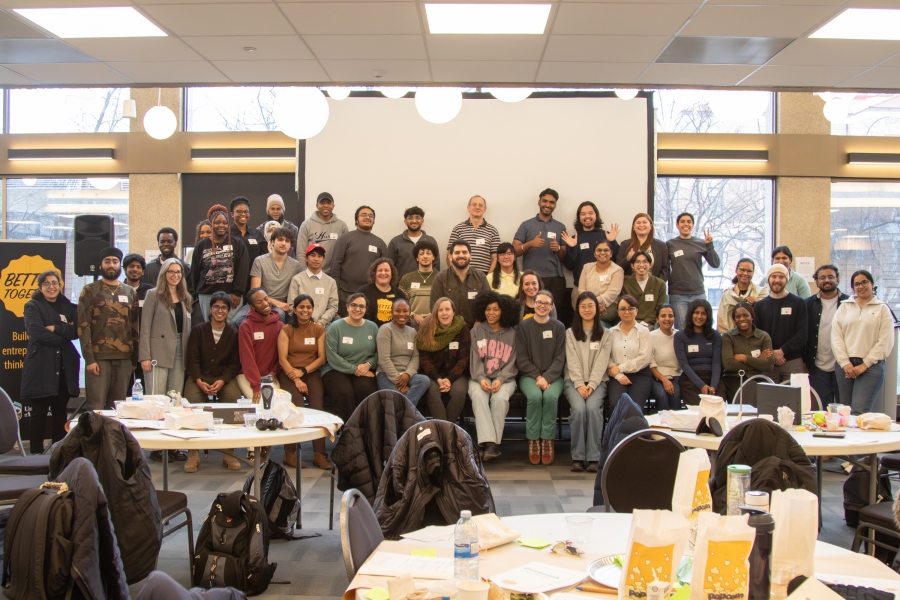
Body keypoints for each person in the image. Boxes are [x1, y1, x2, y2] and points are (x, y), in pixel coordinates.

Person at [21, 270, 79, 454]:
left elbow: (76, 332)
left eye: (54, 283)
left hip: (64, 367)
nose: (51, 287)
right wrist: (64, 333)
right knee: (39, 411)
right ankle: (35, 454)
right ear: (40, 287)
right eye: (46, 283)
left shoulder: (69, 307)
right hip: (41, 366)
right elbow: (37, 333)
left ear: (59, 285)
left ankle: (58, 453)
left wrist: (55, 327)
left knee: (60, 411)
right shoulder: (33, 306)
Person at [77, 247, 139, 410]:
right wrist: (89, 359)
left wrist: (133, 360)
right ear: (101, 265)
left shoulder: (130, 292)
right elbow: (83, 326)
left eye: (115, 261)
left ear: (120, 265)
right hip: (99, 358)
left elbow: (134, 327)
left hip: (124, 359)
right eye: (107, 261)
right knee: (96, 406)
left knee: (117, 407)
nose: (111, 265)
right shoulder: (90, 290)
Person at [277, 294, 330, 469]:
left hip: (311, 372)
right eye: (301, 307)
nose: (305, 310)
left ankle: (319, 454)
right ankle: (290, 453)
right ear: (294, 310)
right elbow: (282, 359)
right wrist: (296, 378)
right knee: (295, 408)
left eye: (308, 307)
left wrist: (304, 371)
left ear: (312, 310)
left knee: (317, 408)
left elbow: (321, 358)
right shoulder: (286, 330)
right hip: (289, 372)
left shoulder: (318, 329)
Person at [832, 270, 896, 415]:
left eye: (865, 282)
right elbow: (836, 337)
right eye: (857, 284)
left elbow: (885, 340)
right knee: (845, 412)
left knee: (859, 410)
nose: (861, 286)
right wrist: (845, 363)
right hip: (845, 366)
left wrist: (865, 364)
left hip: (871, 366)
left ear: (872, 284)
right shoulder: (844, 307)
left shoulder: (882, 308)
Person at [468, 291, 521, 461]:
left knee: (499, 399)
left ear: (504, 311)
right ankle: (491, 444)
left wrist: (500, 379)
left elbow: (512, 362)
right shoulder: (476, 332)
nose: (490, 313)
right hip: (479, 377)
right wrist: (481, 378)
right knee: (478, 396)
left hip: (506, 378)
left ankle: (488, 444)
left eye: (495, 309)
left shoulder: (513, 334)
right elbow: (475, 359)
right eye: (488, 309)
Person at [516, 289, 565, 466]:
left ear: (552, 307)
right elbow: (521, 358)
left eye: (546, 303)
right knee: (535, 397)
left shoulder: (559, 327)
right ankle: (533, 440)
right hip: (530, 376)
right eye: (539, 302)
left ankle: (547, 440)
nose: (542, 306)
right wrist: (538, 376)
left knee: (551, 397)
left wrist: (547, 377)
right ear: (534, 304)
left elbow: (560, 358)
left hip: (554, 376)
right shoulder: (524, 327)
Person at [564, 291, 611, 473]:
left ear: (597, 308)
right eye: (583, 306)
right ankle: (577, 456)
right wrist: (579, 384)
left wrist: (591, 385)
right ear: (577, 309)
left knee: (592, 409)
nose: (587, 309)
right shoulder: (570, 333)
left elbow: (602, 363)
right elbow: (572, 360)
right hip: (573, 382)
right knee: (578, 410)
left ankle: (593, 456)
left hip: (597, 383)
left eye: (591, 305)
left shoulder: (606, 334)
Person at [321, 292, 380, 421]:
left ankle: (365, 429)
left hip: (364, 369)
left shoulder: (372, 327)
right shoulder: (335, 327)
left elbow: (378, 353)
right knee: (344, 393)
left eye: (361, 306)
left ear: (366, 309)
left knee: (366, 391)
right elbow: (332, 355)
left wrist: (368, 364)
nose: (357, 309)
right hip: (335, 369)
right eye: (354, 305)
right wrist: (355, 369)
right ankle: (346, 430)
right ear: (347, 307)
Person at [139, 258, 192, 397]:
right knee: (156, 396)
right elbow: (145, 327)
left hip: (180, 350)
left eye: (178, 272)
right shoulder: (153, 294)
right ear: (164, 273)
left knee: (175, 396)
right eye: (171, 272)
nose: (175, 275)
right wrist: (145, 357)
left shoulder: (185, 297)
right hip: (158, 351)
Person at [190, 204, 250, 322]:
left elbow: (242, 269)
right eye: (217, 222)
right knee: (210, 326)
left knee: (230, 326)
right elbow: (195, 271)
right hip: (206, 294)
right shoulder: (201, 245)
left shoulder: (238, 244)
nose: (221, 225)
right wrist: (196, 292)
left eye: (224, 222)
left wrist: (238, 292)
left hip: (231, 295)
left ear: (228, 224)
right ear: (211, 224)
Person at [233, 226, 302, 328]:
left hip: (280, 307)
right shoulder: (260, 261)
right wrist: (277, 303)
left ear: (290, 245)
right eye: (280, 239)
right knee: (236, 321)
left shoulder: (296, 266)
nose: (283, 243)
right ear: (272, 241)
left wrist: (282, 304)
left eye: (287, 241)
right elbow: (254, 291)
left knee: (278, 316)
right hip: (259, 302)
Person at [513, 188, 568, 313]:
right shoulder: (526, 225)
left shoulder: (560, 226)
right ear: (539, 202)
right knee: (532, 312)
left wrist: (558, 248)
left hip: (555, 279)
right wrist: (530, 244)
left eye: (552, 202)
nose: (548, 205)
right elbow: (514, 251)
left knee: (554, 313)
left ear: (555, 205)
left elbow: (564, 257)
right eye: (545, 201)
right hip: (532, 279)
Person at [183, 292, 242, 405]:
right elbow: (193, 359)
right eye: (216, 306)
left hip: (223, 377)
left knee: (233, 398)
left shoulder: (234, 334)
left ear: (228, 311)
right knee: (192, 400)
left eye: (224, 307)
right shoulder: (198, 331)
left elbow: (234, 363)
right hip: (199, 376)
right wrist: (199, 381)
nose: (220, 310)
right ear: (210, 309)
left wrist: (223, 380)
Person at [417, 297, 470, 423]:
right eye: (440, 310)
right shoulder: (427, 329)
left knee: (459, 392)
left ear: (453, 312)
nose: (444, 313)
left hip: (457, 375)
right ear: (436, 313)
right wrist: (438, 379)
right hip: (433, 375)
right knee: (432, 393)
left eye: (447, 309)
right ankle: (446, 430)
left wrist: (450, 379)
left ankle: (445, 429)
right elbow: (424, 360)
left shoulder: (463, 329)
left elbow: (464, 358)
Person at [753, 264, 808, 383]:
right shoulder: (759, 306)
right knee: (768, 394)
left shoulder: (798, 303)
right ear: (768, 280)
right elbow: (757, 334)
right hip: (768, 361)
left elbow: (802, 333)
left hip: (793, 361)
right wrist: (772, 353)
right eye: (774, 276)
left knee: (793, 395)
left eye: (781, 277)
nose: (777, 280)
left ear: (786, 280)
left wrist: (782, 351)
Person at [330, 205, 388, 315]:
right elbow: (335, 266)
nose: (367, 217)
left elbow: (385, 270)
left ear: (374, 221)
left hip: (371, 293)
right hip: (345, 293)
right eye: (363, 215)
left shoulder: (380, 243)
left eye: (370, 216)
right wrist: (336, 290)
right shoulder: (345, 239)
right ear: (357, 219)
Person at [666, 213, 720, 328]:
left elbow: (715, 264)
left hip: (698, 292)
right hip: (678, 294)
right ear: (677, 225)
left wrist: (709, 245)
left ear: (693, 225)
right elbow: (664, 267)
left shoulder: (700, 243)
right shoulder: (670, 244)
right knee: (682, 328)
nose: (686, 224)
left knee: (701, 327)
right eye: (682, 221)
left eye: (689, 222)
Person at [804, 265, 848, 405]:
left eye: (830, 277)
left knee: (844, 406)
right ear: (816, 281)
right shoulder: (807, 304)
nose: (827, 280)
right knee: (820, 406)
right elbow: (803, 334)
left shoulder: (849, 303)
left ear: (838, 279)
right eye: (822, 277)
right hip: (817, 365)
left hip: (844, 364)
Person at [376, 298, 430, 405]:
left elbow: (415, 356)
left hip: (407, 375)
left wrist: (407, 374)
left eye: (405, 311)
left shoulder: (413, 332)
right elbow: (384, 359)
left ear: (410, 313)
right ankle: (409, 412)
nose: (401, 314)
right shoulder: (385, 329)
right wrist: (399, 381)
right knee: (398, 397)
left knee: (424, 380)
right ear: (392, 312)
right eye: (397, 310)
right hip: (386, 374)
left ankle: (405, 410)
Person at [721, 302, 775, 405]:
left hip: (757, 380)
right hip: (734, 380)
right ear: (734, 319)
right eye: (738, 317)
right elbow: (728, 364)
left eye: (746, 315)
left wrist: (744, 358)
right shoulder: (728, 336)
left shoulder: (763, 336)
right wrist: (758, 361)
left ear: (752, 317)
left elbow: (769, 364)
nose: (742, 319)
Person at [236, 287, 284, 403]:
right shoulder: (246, 327)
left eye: (266, 299)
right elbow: (247, 358)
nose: (265, 303)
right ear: (252, 307)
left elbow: (282, 355)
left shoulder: (280, 326)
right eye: (259, 302)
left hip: (270, 375)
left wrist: (274, 371)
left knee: (274, 404)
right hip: (248, 376)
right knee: (260, 404)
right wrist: (256, 385)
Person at [606, 294, 653, 411]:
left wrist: (620, 368)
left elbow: (645, 358)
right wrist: (619, 375)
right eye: (623, 309)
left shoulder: (644, 331)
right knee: (616, 404)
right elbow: (607, 357)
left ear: (636, 311)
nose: (626, 312)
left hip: (640, 374)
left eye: (631, 308)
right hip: (616, 376)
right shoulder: (610, 332)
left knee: (634, 407)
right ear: (618, 312)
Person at [561, 200, 621, 292]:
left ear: (596, 215)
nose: (587, 216)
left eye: (590, 213)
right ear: (579, 218)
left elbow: (617, 260)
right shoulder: (574, 239)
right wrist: (572, 248)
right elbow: (569, 266)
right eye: (583, 214)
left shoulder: (606, 236)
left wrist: (612, 242)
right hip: (581, 288)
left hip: (605, 287)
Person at [673, 298, 722, 405]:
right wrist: (701, 385)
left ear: (708, 316)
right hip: (690, 380)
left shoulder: (715, 335)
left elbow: (716, 362)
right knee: (697, 411)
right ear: (691, 314)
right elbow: (684, 364)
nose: (699, 316)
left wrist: (713, 386)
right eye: (696, 312)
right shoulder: (680, 336)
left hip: (713, 379)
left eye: (703, 313)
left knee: (716, 410)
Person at [430, 240, 490, 328]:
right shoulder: (441, 278)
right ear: (451, 257)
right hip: (447, 329)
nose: (461, 255)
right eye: (457, 252)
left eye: (464, 252)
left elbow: (487, 304)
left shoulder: (481, 277)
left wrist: (478, 323)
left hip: (476, 329)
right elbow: (434, 306)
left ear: (470, 256)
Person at [288, 243, 339, 328]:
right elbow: (291, 305)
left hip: (323, 325)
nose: (316, 259)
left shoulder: (331, 282)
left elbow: (333, 306)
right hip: (301, 324)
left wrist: (322, 322)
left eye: (319, 256)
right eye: (312, 255)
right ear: (306, 258)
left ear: (323, 259)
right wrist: (305, 321)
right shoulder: (296, 279)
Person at [296, 192, 348, 273]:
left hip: (333, 274)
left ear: (333, 206)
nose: (326, 205)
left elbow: (346, 253)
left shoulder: (341, 226)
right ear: (317, 206)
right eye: (322, 203)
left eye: (329, 203)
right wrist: (305, 274)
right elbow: (300, 253)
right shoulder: (306, 225)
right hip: (312, 273)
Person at [446, 195, 500, 274]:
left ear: (485, 209)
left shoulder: (493, 231)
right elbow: (449, 256)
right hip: (461, 277)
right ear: (468, 208)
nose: (477, 207)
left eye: (481, 205)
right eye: (474, 204)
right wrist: (455, 276)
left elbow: (495, 259)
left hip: (484, 277)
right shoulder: (458, 229)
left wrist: (488, 278)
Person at [575, 240, 623, 322]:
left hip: (609, 305)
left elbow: (613, 293)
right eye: (599, 250)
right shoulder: (587, 267)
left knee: (590, 317)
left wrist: (593, 303)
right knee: (583, 316)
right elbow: (581, 289)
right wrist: (592, 304)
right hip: (588, 303)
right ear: (594, 254)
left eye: (606, 250)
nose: (602, 253)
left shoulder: (617, 270)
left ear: (611, 253)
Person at [717, 258, 768, 332]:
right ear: (736, 270)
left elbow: (767, 314)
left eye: (749, 271)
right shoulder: (727, 295)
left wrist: (758, 302)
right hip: (732, 335)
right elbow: (721, 319)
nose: (745, 273)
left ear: (753, 273)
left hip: (755, 335)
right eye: (742, 270)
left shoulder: (761, 292)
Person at [387, 206, 440, 277]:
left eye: (417, 217)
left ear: (422, 221)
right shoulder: (395, 242)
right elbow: (389, 266)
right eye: (410, 218)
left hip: (427, 283)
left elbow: (436, 265)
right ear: (405, 221)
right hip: (402, 283)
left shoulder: (431, 241)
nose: (414, 221)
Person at [615, 213, 669, 280]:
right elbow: (617, 269)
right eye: (638, 223)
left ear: (651, 226)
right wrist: (627, 259)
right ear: (633, 227)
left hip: (654, 285)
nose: (641, 225)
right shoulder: (625, 244)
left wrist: (657, 284)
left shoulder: (661, 245)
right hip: (630, 285)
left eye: (644, 222)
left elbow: (665, 270)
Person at [398, 239, 439, 327]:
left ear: (433, 257)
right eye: (421, 253)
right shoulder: (406, 278)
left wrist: (432, 316)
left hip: (435, 322)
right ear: (417, 258)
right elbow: (400, 303)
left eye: (428, 253)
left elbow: (444, 301)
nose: (425, 256)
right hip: (411, 323)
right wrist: (413, 316)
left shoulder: (440, 277)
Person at [229, 196, 268, 290]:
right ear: (232, 214)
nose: (243, 214)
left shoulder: (257, 233)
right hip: (232, 281)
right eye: (239, 211)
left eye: (246, 211)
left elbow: (265, 258)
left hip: (254, 280)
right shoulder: (227, 234)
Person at [621, 251, 667, 328]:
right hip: (631, 322)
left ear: (650, 265)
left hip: (651, 323)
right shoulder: (626, 285)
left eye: (645, 262)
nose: (641, 265)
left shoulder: (660, 284)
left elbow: (660, 309)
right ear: (632, 266)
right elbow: (626, 308)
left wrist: (646, 322)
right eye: (638, 262)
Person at [358, 257, 408, 326]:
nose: (383, 273)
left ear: (392, 273)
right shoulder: (363, 292)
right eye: (380, 270)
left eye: (386, 270)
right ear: (374, 273)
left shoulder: (399, 294)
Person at [650, 304, 681, 411]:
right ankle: (662, 421)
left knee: (675, 396)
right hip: (656, 376)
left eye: (670, 316)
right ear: (657, 319)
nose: (667, 319)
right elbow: (650, 364)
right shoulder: (651, 336)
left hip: (676, 375)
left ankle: (675, 421)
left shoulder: (679, 335)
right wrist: (664, 380)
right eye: (663, 316)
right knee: (661, 395)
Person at [144, 228, 192, 294]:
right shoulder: (148, 268)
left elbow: (190, 292)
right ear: (158, 243)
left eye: (169, 241)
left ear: (175, 243)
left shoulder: (185, 268)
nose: (166, 244)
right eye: (162, 242)